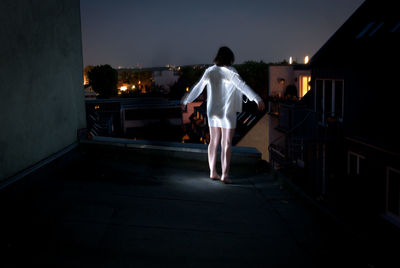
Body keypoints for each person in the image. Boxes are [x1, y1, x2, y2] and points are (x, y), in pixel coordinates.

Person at [182, 46, 265, 184]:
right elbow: (243, 86)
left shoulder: (209, 71)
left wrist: (186, 100)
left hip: (212, 112)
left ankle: (212, 172)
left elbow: (198, 87)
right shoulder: (231, 72)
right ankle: (224, 175)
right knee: (226, 143)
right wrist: (257, 99)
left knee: (213, 142)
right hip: (227, 113)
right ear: (230, 58)